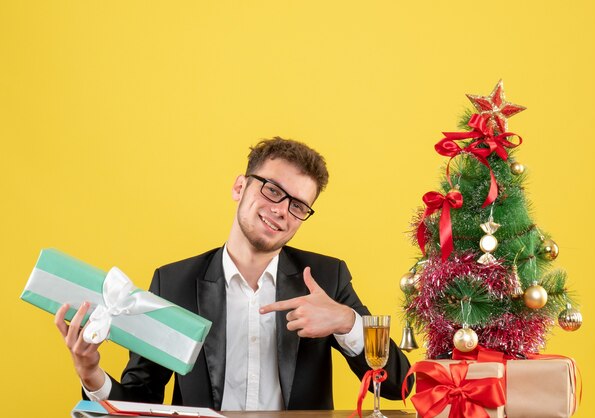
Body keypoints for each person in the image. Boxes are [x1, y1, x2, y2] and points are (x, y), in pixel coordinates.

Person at [55, 137, 413, 411]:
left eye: (298, 205)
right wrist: (91, 375)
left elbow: (401, 385)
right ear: (239, 187)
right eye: (272, 190)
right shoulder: (174, 283)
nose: (281, 211)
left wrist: (347, 322)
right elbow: (140, 397)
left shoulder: (325, 277)